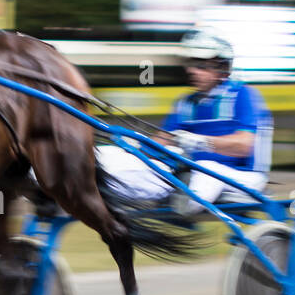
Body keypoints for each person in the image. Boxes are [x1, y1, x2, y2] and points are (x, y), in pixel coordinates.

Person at [95, 28, 272, 211]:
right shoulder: (185, 103)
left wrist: (202, 142)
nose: (192, 71)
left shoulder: (243, 94)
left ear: (223, 69)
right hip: (192, 174)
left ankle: (179, 204)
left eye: (202, 66)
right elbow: (164, 140)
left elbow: (244, 145)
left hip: (243, 177)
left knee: (205, 169)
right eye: (191, 64)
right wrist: (136, 145)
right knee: (108, 155)